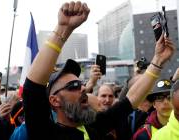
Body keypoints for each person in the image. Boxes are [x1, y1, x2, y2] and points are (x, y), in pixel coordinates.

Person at [22, 1, 175, 140]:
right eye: (73, 86)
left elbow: (130, 100)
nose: (82, 88)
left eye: (80, 83)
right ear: (54, 100)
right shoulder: (46, 133)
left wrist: (158, 60)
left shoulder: (93, 128)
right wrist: (63, 28)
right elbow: (32, 89)